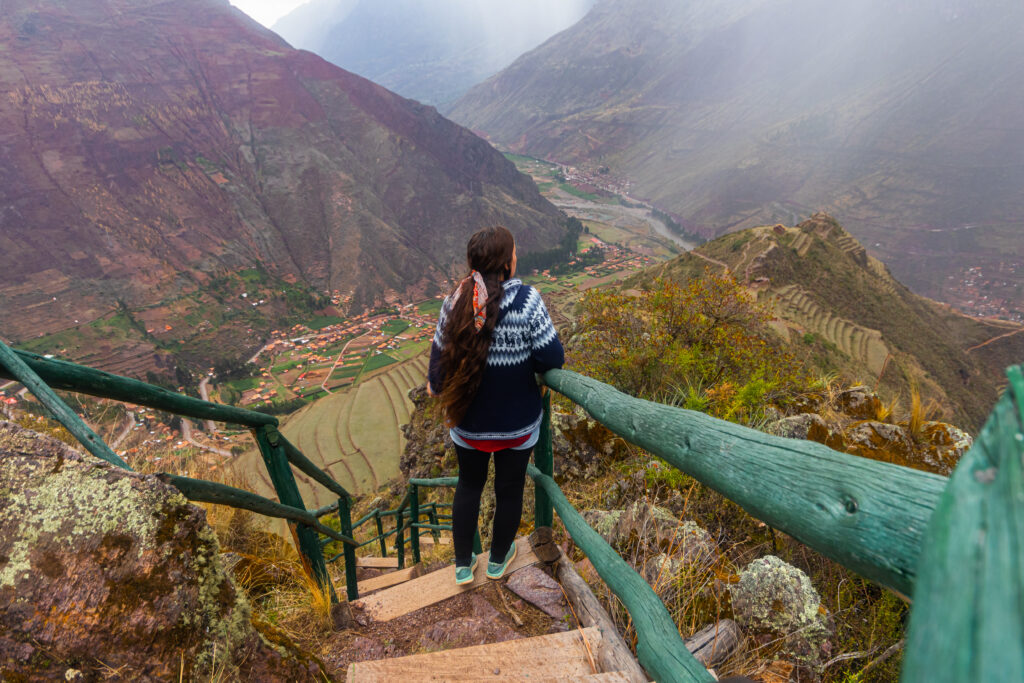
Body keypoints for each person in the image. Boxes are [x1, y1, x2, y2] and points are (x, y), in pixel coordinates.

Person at [427, 226, 564, 585]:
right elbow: (553, 356)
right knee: (509, 489)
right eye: (514, 252)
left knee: (468, 486)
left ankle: (461, 564)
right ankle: (498, 560)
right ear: (506, 263)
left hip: (468, 425)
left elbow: (437, 371)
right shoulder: (527, 300)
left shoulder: (455, 301)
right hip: (516, 425)